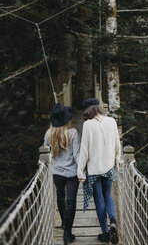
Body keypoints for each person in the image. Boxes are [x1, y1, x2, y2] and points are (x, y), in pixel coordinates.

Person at [77, 98, 121, 244]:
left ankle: (105, 233)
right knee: (108, 195)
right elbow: (117, 146)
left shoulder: (88, 125)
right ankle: (113, 220)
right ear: (98, 107)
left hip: (94, 170)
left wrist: (80, 172)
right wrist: (116, 162)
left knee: (99, 199)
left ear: (87, 110)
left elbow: (84, 152)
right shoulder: (112, 121)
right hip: (108, 167)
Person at [43, 103, 80, 245]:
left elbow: (45, 151)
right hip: (72, 173)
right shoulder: (73, 133)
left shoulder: (49, 133)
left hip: (57, 172)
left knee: (60, 195)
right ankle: (67, 233)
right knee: (71, 202)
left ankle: (64, 222)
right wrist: (82, 170)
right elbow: (76, 155)